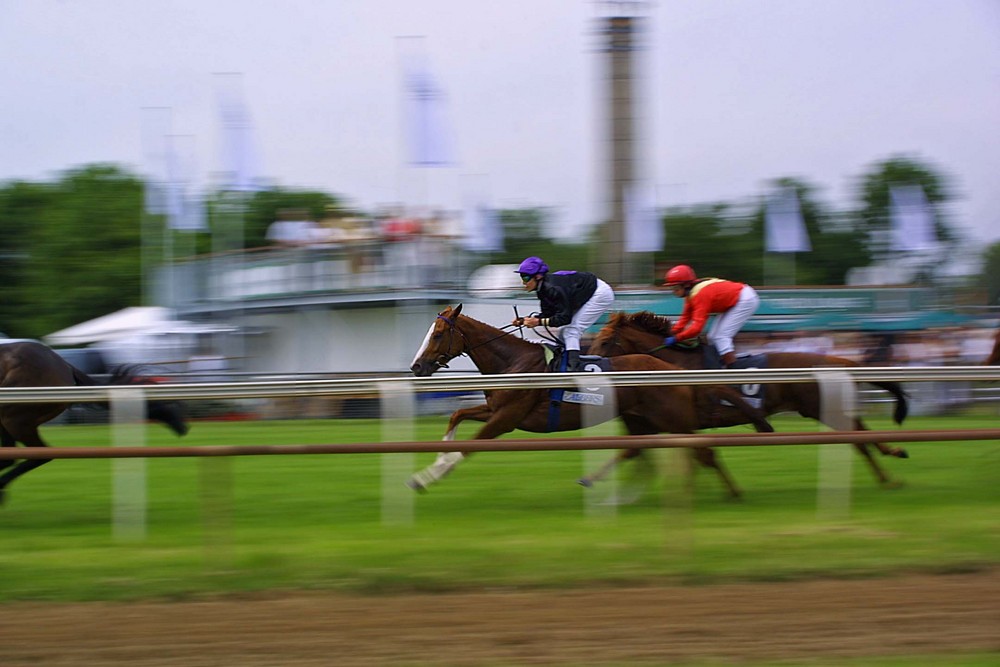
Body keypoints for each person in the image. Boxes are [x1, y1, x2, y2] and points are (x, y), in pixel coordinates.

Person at [511, 256, 615, 372]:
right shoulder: (542, 290)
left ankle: (572, 370)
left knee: (571, 330)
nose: (523, 282)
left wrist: (538, 322)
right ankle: (564, 364)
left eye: (525, 277)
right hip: (583, 294)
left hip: (599, 294)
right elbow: (548, 314)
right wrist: (525, 320)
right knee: (563, 332)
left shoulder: (554, 289)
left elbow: (565, 318)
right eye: (522, 277)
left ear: (538, 276)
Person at [663, 264, 760, 367]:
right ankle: (721, 364)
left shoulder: (700, 295)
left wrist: (677, 338)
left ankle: (733, 369)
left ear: (686, 285)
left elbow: (696, 328)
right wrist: (671, 332)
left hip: (745, 299)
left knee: (721, 336)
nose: (674, 291)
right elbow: (685, 317)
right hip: (735, 301)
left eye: (676, 288)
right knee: (712, 336)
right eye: (672, 288)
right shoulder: (691, 294)